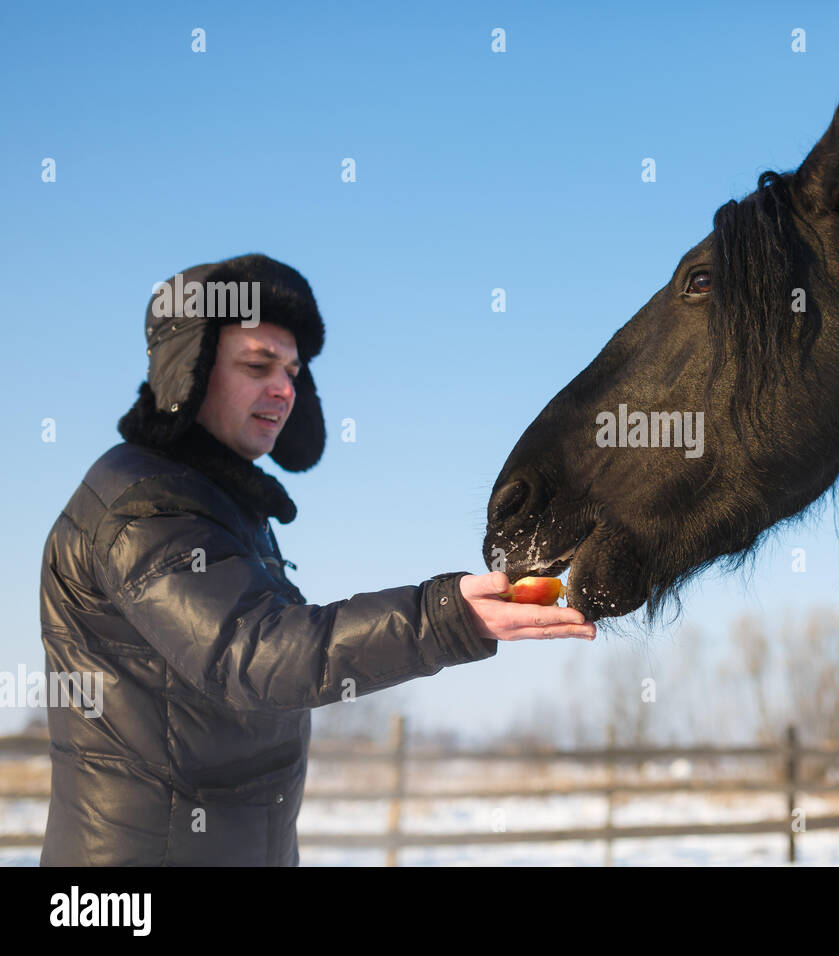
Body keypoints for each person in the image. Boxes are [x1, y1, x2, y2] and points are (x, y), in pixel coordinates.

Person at [38, 253, 595, 866]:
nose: (284, 388)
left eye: (293, 371)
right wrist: (445, 617)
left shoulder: (222, 506)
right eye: (257, 365)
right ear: (188, 372)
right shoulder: (143, 503)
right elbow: (255, 652)